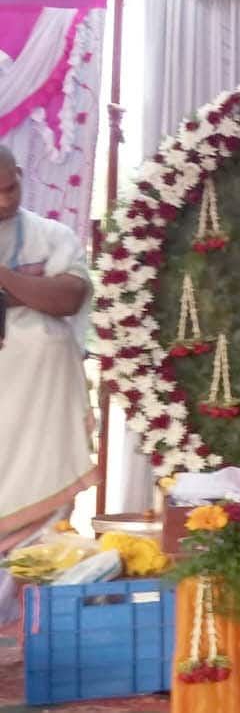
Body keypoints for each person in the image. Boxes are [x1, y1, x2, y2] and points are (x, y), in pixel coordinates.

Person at [0, 145, 97, 625]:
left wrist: (4, 278)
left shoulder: (51, 235)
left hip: (42, 412)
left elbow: (68, 296)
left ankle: (30, 628)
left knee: (43, 530)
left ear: (21, 174)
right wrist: (26, 287)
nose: (4, 201)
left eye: (10, 187)